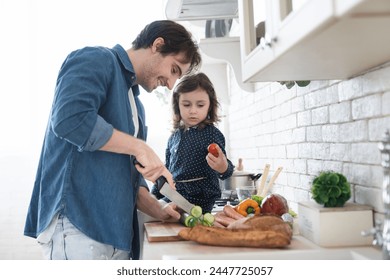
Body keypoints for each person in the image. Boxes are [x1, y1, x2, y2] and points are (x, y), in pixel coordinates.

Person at [23, 20, 202, 260]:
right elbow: (70, 119)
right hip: (79, 227)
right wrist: (140, 147)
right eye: (173, 70)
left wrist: (159, 210)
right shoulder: (96, 59)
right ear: (158, 45)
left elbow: (132, 178)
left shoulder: (136, 107)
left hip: (117, 236)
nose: (170, 85)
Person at [151, 73, 234, 213]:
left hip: (201, 198)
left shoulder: (212, 134)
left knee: (166, 213)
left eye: (200, 105)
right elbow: (166, 171)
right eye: (186, 104)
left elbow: (226, 171)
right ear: (177, 105)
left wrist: (223, 167)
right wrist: (153, 194)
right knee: (151, 210)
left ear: (209, 106)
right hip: (175, 196)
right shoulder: (174, 137)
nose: (193, 111)